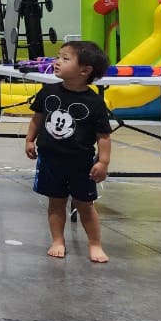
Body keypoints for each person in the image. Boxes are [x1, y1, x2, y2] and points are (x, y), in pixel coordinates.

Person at [24, 41, 112, 262]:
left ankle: (95, 243)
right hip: (50, 160)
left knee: (85, 205)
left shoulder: (94, 102)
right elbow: (37, 119)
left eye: (65, 59)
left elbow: (103, 136)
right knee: (56, 203)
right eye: (58, 57)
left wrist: (103, 162)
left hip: (81, 163)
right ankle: (57, 240)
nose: (57, 62)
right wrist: (29, 140)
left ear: (85, 70)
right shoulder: (48, 92)